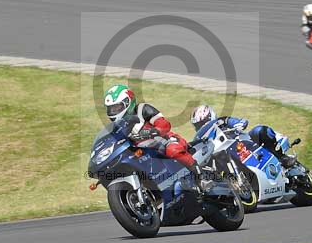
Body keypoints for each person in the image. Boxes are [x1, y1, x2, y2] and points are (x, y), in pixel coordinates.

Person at [103, 85, 211, 213]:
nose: (114, 111)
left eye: (117, 107)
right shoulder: (116, 128)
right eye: (111, 109)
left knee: (173, 150)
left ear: (128, 102)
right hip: (144, 152)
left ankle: (201, 177)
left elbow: (164, 124)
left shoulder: (142, 110)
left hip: (164, 140)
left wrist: (152, 131)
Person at [189, 105, 297, 168]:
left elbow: (241, 122)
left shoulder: (222, 120)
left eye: (203, 122)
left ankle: (281, 157)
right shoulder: (199, 138)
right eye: (198, 125)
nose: (202, 126)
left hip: (244, 142)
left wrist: (239, 124)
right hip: (223, 153)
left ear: (210, 116)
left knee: (260, 130)